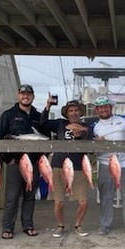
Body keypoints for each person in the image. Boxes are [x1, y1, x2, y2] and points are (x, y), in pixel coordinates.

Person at [0, 84, 48, 239]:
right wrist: (7, 159)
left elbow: (47, 139)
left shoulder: (38, 116)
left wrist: (42, 159)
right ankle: (7, 228)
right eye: (23, 93)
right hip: (15, 163)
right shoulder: (8, 115)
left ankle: (28, 225)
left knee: (30, 196)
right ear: (18, 95)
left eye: (29, 93)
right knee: (12, 197)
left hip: (35, 163)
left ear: (33, 96)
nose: (26, 96)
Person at [92, 96, 125, 235]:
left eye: (106, 106)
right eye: (100, 107)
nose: (103, 109)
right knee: (106, 195)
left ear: (111, 107)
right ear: (96, 109)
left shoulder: (124, 119)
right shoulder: (94, 126)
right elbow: (90, 143)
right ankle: (105, 223)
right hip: (105, 163)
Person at [40, 100, 92, 238]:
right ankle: (60, 225)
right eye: (71, 110)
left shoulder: (87, 127)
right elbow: (43, 122)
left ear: (80, 112)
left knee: (83, 201)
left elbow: (90, 144)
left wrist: (80, 136)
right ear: (67, 113)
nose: (74, 113)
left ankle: (78, 224)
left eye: (76, 110)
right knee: (58, 202)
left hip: (79, 167)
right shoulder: (60, 124)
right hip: (58, 165)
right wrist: (48, 106)